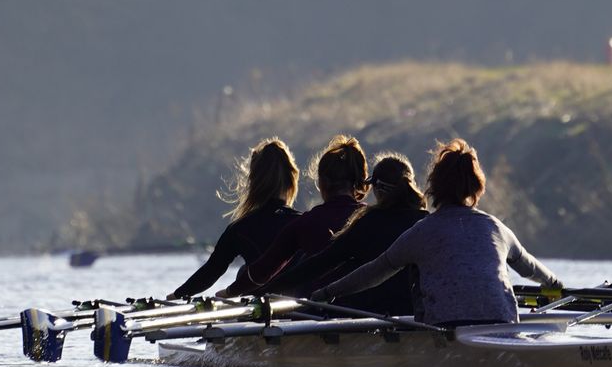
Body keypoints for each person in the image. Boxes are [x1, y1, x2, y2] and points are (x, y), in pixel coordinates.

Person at [311, 139, 563, 327]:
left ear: (434, 186)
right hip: (504, 325)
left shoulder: (422, 232)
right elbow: (532, 268)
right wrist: (556, 285)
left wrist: (326, 293)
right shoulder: (496, 228)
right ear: (477, 187)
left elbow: (373, 273)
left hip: (447, 330)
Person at [243, 153, 429, 316]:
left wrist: (267, 290)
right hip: (415, 317)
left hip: (369, 319)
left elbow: (322, 263)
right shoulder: (426, 222)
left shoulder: (368, 222)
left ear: (377, 188)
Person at [216, 135, 368, 297]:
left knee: (244, 272)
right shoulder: (374, 218)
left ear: (322, 182)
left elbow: (261, 272)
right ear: (359, 181)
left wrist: (228, 293)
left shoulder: (305, 223)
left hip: (319, 313)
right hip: (372, 313)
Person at [165, 139, 301, 300]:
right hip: (303, 307)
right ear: (291, 180)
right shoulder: (304, 222)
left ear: (253, 181)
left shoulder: (240, 228)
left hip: (259, 307)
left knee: (244, 271)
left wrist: (176, 295)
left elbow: (211, 271)